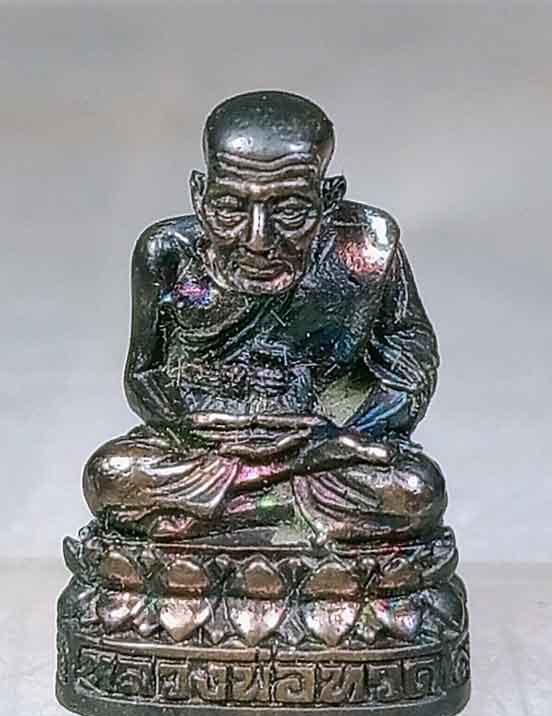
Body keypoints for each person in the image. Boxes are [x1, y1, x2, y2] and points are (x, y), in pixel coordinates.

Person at [83, 90, 446, 544]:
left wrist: (339, 435)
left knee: (415, 490)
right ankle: (274, 510)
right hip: (211, 451)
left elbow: (410, 372)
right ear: (199, 194)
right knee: (111, 475)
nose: (258, 240)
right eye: (230, 208)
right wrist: (191, 424)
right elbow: (143, 374)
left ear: (328, 198)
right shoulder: (167, 253)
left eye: (290, 210)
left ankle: (221, 518)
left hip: (323, 448)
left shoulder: (367, 248)